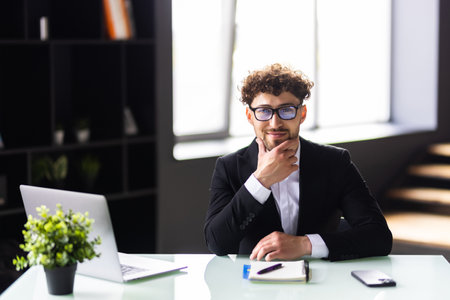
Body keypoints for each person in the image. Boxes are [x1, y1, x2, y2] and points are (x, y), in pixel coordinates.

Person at [204, 63, 392, 262]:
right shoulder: (229, 167)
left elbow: (379, 237)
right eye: (264, 111)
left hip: (322, 283)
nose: (275, 123)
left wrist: (305, 245)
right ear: (250, 117)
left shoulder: (335, 162)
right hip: (252, 287)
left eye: (286, 110)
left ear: (302, 114)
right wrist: (260, 181)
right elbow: (217, 243)